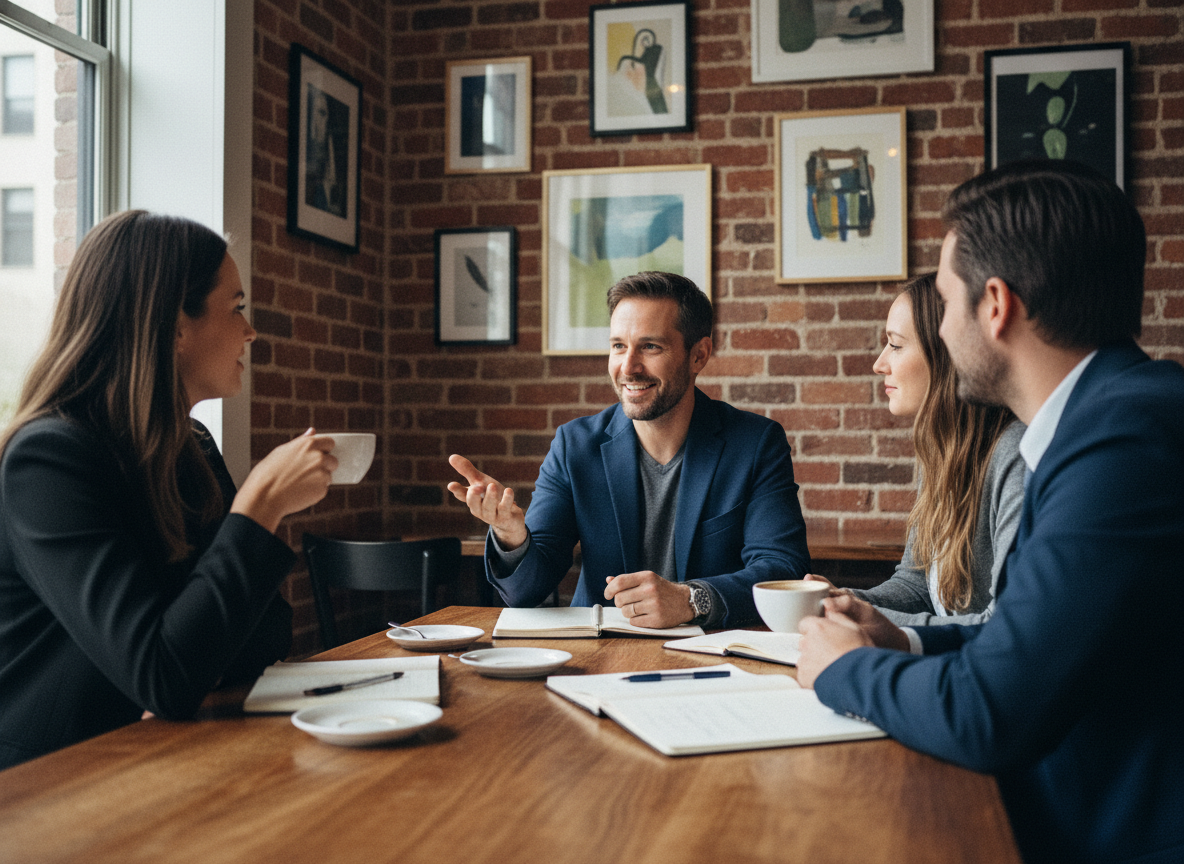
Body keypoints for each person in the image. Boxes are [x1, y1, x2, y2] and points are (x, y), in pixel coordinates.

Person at [796, 161, 1184, 864]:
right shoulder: (1110, 417)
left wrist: (841, 670)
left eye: (944, 304)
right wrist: (901, 642)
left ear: (996, 305)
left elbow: (992, 713)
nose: (940, 331)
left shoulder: (1120, 443)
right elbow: (1031, 643)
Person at [0, 210, 338, 770]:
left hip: (157, 758)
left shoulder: (190, 448)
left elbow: (264, 638)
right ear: (175, 326)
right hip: (53, 784)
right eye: (236, 308)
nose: (251, 331)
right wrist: (259, 507)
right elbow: (165, 674)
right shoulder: (48, 461)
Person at [447, 272, 810, 629]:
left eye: (650, 346)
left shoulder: (756, 443)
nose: (628, 367)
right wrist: (511, 535)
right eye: (619, 345)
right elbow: (526, 592)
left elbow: (782, 569)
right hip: (598, 657)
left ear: (698, 356)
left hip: (710, 659)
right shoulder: (575, 445)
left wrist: (690, 599)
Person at [807, 273, 1025, 626]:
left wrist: (874, 620)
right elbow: (918, 586)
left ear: (944, 355)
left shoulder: (1014, 454)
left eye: (895, 345)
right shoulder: (941, 451)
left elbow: (1004, 626)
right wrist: (845, 600)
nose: (879, 364)